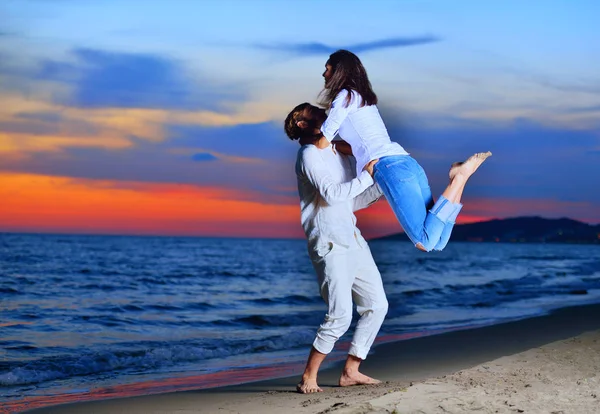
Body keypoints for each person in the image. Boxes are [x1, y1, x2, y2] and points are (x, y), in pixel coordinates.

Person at [317, 49, 492, 252]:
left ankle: (460, 178)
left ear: (339, 71)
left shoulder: (344, 96)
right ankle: (459, 179)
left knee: (424, 242)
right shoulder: (363, 100)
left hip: (388, 168)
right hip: (407, 163)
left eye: (327, 69)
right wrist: (337, 146)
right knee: (438, 243)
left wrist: (313, 141)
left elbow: (323, 141)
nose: (324, 74)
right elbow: (359, 145)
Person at [284, 102, 389, 394]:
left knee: (377, 305)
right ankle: (308, 376)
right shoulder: (308, 155)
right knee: (340, 314)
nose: (323, 114)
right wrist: (367, 174)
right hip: (328, 242)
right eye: (315, 114)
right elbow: (331, 193)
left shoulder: (334, 151)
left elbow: (349, 200)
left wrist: (378, 183)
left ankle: (351, 370)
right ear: (302, 124)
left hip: (352, 238)